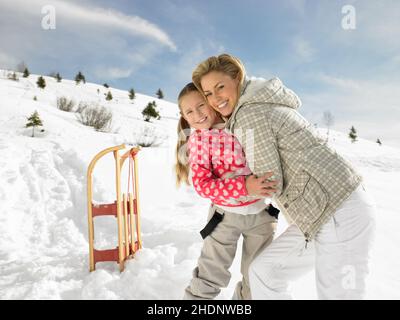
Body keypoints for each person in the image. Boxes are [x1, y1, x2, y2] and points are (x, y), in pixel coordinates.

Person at [191, 54, 376, 299]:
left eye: (220, 87)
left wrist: (240, 185)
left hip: (338, 209)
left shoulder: (250, 113)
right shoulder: (253, 105)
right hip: (318, 213)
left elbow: (269, 181)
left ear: (237, 78)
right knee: (265, 272)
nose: (215, 99)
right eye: (208, 94)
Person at [175, 82, 279, 300]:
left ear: (212, 102)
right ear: (184, 117)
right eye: (189, 112)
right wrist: (245, 186)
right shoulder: (200, 141)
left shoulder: (241, 123)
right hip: (225, 217)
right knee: (209, 274)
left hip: (261, 216)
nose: (197, 114)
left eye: (201, 105)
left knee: (257, 277)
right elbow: (203, 185)